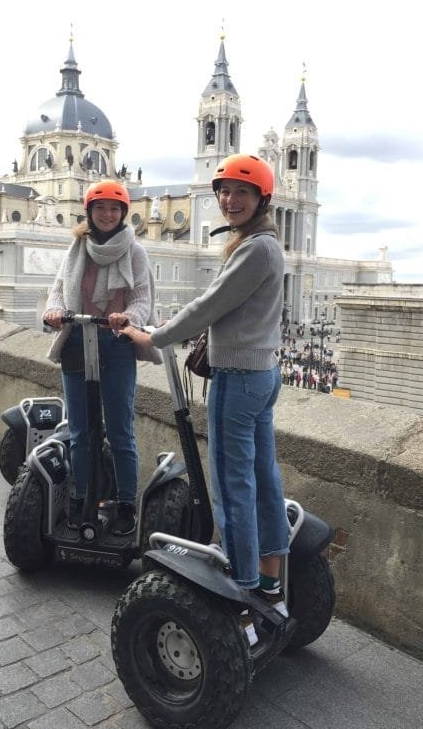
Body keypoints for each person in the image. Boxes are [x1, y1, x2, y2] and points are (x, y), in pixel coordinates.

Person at [121, 153, 290, 642]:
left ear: (261, 198)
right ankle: (272, 588)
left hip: (237, 380)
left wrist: (153, 338)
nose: (228, 200)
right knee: (264, 479)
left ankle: (242, 602)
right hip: (261, 374)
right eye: (223, 190)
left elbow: (208, 306)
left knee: (232, 488)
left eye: (241, 192)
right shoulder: (265, 245)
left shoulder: (256, 249)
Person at [43, 179, 160, 535]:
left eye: (114, 209)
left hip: (116, 344)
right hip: (78, 340)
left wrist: (129, 318)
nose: (107, 215)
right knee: (79, 430)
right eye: (100, 209)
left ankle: (126, 503)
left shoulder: (135, 251)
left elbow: (143, 298)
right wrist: (54, 311)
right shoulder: (76, 247)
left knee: (121, 431)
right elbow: (58, 290)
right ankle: (80, 498)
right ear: (89, 213)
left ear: (123, 213)